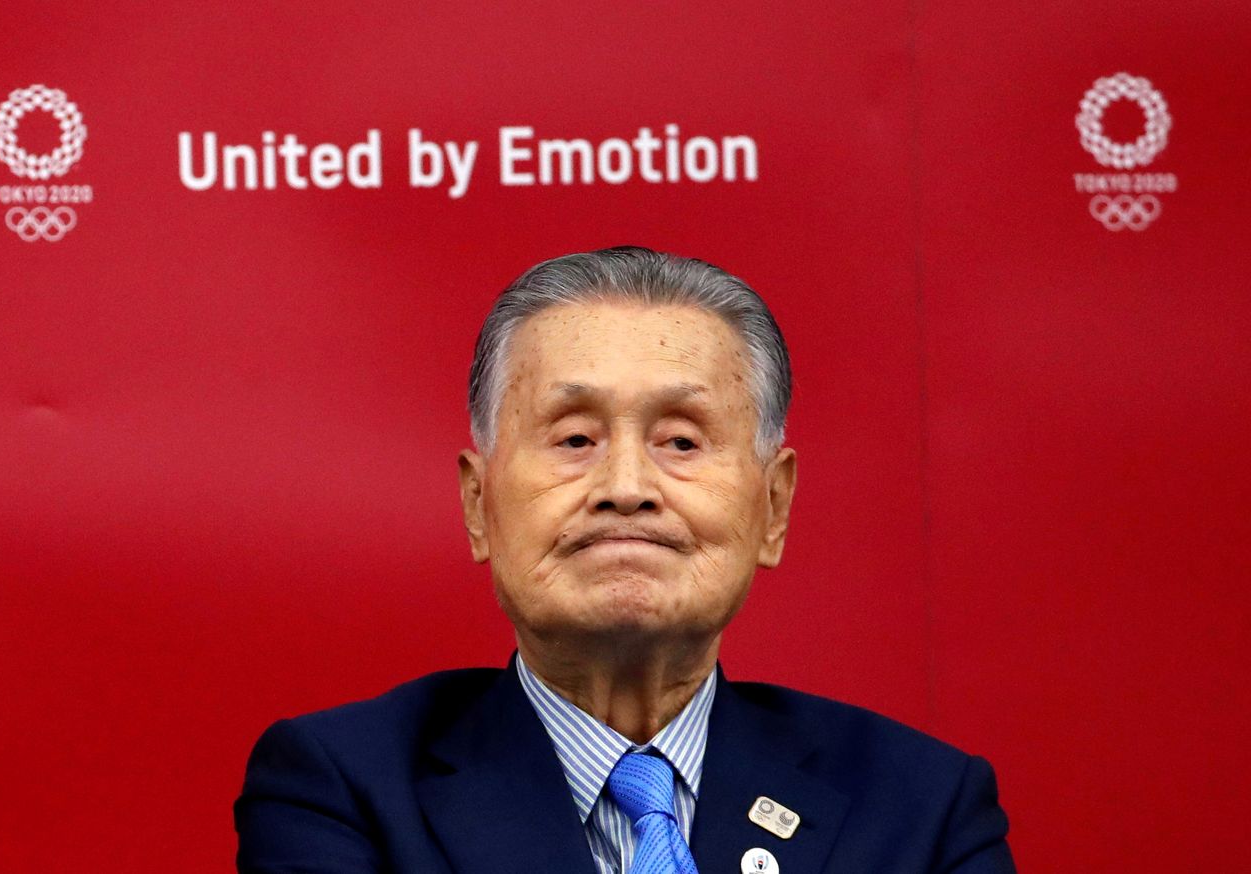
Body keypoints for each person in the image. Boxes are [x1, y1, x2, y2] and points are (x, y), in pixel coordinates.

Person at [234, 246, 1016, 873]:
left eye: (681, 441)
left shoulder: (922, 808)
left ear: (773, 508)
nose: (627, 488)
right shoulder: (343, 791)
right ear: (479, 505)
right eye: (576, 439)